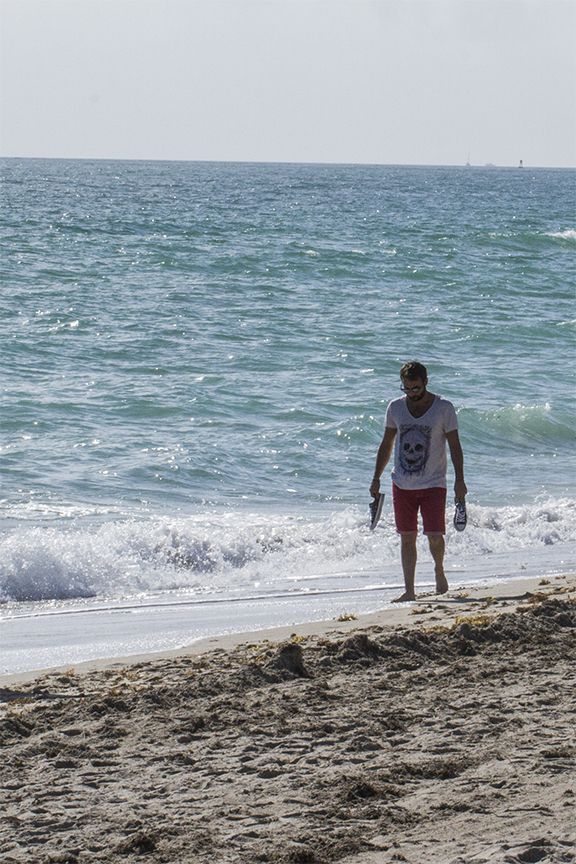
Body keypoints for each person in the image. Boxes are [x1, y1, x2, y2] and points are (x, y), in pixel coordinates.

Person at [370, 361, 467, 602]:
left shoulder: (444, 408)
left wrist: (460, 480)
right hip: (402, 483)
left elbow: (455, 446)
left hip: (434, 483)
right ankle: (409, 590)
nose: (411, 394)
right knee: (407, 536)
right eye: (406, 389)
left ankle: (439, 570)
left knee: (434, 535)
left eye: (416, 388)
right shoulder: (395, 407)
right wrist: (376, 478)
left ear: (426, 382)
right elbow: (387, 443)